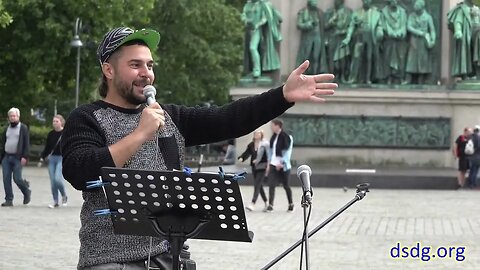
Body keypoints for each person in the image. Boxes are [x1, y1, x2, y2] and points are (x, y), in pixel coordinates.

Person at [60, 26, 336, 269]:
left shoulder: (171, 118)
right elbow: (79, 171)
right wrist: (140, 134)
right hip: (110, 259)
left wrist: (282, 96)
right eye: (135, 65)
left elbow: (229, 119)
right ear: (108, 69)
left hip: (168, 256)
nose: (146, 74)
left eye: (150, 65)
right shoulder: (87, 118)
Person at [342, 0, 384, 84]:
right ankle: (353, 77)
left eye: (368, 1)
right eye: (365, 0)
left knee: (369, 58)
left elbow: (379, 25)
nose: (366, 2)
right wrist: (347, 38)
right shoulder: (357, 12)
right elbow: (351, 27)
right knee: (356, 57)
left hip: (370, 37)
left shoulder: (376, 13)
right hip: (359, 37)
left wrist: (380, 32)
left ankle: (368, 78)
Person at [241, 0, 282, 78]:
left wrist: (257, 25)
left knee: (253, 48)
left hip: (258, 30)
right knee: (250, 50)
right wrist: (246, 21)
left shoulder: (262, 5)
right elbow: (243, 15)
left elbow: (265, 18)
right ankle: (252, 70)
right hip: (249, 30)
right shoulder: (248, 5)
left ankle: (257, 70)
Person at [0, 107, 31, 207]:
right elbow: (3, 142)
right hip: (7, 157)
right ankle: (9, 199)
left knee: (17, 178)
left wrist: (25, 156)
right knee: (6, 178)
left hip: (18, 157)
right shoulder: (7, 129)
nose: (13, 118)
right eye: (11, 116)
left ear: (18, 116)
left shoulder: (23, 128)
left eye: (14, 116)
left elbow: (26, 143)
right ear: (8, 118)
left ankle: (26, 191)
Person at [265, 119, 294, 212]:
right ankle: (270, 204)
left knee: (286, 185)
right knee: (271, 184)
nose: (271, 127)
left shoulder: (286, 137)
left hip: (283, 166)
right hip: (273, 164)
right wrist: (269, 164)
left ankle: (291, 203)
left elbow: (287, 152)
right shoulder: (273, 137)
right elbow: (271, 151)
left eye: (272, 125)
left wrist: (281, 163)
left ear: (278, 126)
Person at [39, 114, 68, 208]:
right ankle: (55, 201)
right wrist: (42, 158)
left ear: (61, 122)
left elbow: (69, 146)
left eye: (57, 121)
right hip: (52, 159)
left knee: (58, 179)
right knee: (53, 182)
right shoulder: (51, 134)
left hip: (61, 158)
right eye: (53, 121)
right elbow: (47, 147)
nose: (55, 123)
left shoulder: (65, 133)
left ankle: (64, 195)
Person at [404, 0, 436, 84]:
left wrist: (433, 40)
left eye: (417, 5)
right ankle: (408, 78)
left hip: (424, 42)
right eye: (415, 5)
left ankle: (421, 79)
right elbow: (409, 27)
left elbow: (432, 29)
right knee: (411, 60)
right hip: (414, 41)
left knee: (423, 61)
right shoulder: (412, 15)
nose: (415, 7)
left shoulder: (428, 17)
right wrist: (420, 32)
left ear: (422, 7)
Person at [238, 130, 269, 211]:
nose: (256, 135)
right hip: (254, 167)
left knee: (257, 184)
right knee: (259, 185)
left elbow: (268, 155)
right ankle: (266, 202)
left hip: (262, 166)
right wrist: (242, 158)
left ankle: (253, 203)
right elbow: (246, 153)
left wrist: (264, 163)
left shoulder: (264, 144)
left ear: (261, 135)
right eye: (255, 133)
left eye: (258, 133)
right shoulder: (251, 145)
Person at [296, 0, 327, 75]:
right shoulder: (303, 12)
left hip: (318, 37)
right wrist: (309, 24)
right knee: (306, 56)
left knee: (316, 56)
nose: (315, 4)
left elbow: (325, 26)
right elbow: (299, 24)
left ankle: (315, 73)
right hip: (308, 37)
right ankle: (304, 74)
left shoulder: (320, 12)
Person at [325, 0, 352, 82]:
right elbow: (325, 26)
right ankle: (333, 76)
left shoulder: (348, 12)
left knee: (342, 59)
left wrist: (345, 32)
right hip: (333, 38)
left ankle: (342, 76)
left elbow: (351, 25)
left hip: (343, 38)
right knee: (332, 59)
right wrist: (331, 21)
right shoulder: (330, 12)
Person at [381, 0, 408, 84]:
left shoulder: (402, 12)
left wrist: (399, 32)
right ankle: (388, 77)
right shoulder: (384, 12)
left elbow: (404, 24)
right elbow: (384, 24)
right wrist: (391, 32)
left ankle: (400, 77)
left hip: (400, 40)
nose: (395, 2)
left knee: (401, 58)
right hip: (388, 40)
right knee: (387, 58)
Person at [447, 0, 475, 80]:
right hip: (467, 36)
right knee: (467, 54)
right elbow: (458, 21)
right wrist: (458, 30)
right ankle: (466, 74)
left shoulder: (476, 8)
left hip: (476, 36)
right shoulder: (462, 9)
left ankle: (476, 73)